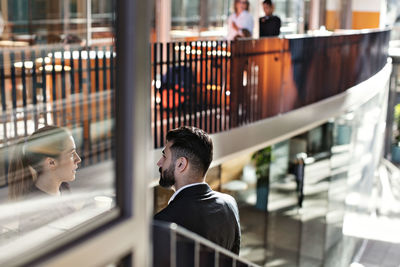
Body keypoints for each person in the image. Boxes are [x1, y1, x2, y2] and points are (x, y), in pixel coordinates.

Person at [154, 126, 241, 254]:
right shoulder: (230, 204)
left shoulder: (162, 223)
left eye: (164, 156)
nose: (159, 163)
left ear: (181, 164)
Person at [8, 125, 81, 200]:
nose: (78, 159)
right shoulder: (37, 206)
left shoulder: (64, 187)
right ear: (51, 163)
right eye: (72, 154)